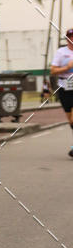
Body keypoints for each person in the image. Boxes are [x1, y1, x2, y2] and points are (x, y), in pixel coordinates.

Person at [49, 27, 73, 158]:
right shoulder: (61, 52)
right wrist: (67, 67)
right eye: (71, 37)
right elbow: (53, 71)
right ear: (67, 38)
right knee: (71, 120)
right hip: (65, 87)